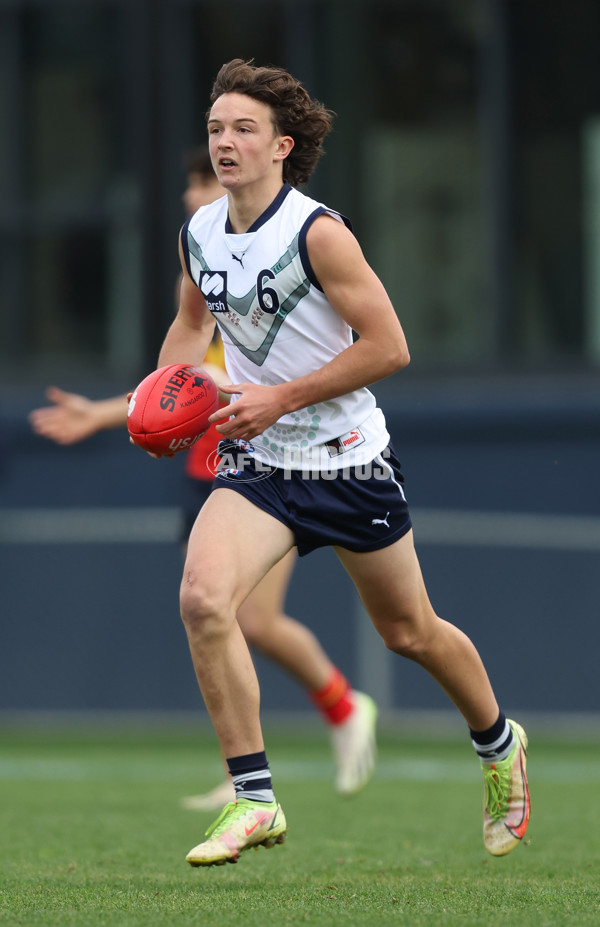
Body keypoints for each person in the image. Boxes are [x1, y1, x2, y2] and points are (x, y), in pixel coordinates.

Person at [142, 58, 531, 868]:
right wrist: (168, 389)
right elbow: (189, 326)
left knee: (409, 632)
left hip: (349, 464)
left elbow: (391, 347)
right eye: (216, 128)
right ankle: (254, 799)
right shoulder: (199, 232)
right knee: (204, 598)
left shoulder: (318, 232)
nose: (225, 142)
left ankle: (498, 744)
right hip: (261, 464)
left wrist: (278, 397)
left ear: (283, 145)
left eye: (244, 128)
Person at [29, 145, 378, 809]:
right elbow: (182, 387)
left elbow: (244, 375)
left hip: (281, 455)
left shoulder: (280, 251)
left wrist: (116, 412)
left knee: (256, 618)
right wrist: (113, 414)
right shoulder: (201, 257)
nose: (196, 192)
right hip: (208, 464)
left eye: (203, 179)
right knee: (214, 609)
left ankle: (341, 706)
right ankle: (244, 772)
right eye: (192, 180)